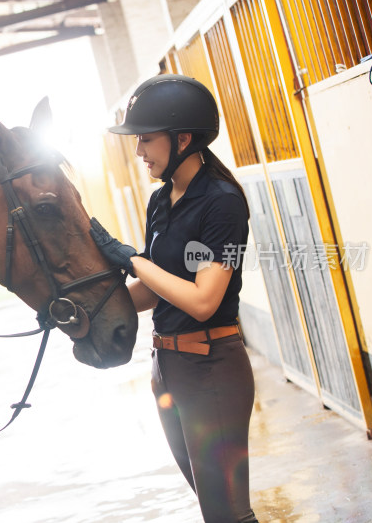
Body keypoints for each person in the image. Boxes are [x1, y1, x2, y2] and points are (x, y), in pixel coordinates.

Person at [90, 74, 257, 523]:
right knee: (214, 510)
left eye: (146, 140)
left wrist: (131, 258)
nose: (139, 151)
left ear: (183, 138)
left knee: (228, 515)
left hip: (211, 367)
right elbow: (154, 288)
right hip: (167, 368)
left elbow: (203, 300)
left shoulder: (222, 203)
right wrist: (92, 309)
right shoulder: (160, 201)